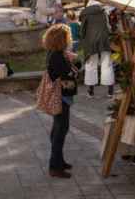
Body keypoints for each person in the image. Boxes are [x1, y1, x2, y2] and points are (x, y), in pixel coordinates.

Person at [43, 23, 77, 179]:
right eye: (68, 37)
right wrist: (74, 63)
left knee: (58, 128)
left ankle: (59, 161)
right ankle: (54, 166)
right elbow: (67, 73)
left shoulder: (54, 53)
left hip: (61, 95)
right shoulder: (57, 56)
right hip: (61, 96)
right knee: (60, 130)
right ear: (61, 39)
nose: (70, 39)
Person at [80, 0, 114, 98]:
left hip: (91, 42)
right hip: (104, 41)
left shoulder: (85, 14)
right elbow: (108, 28)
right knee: (106, 65)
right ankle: (110, 91)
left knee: (91, 66)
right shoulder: (103, 13)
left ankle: (91, 91)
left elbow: (82, 31)